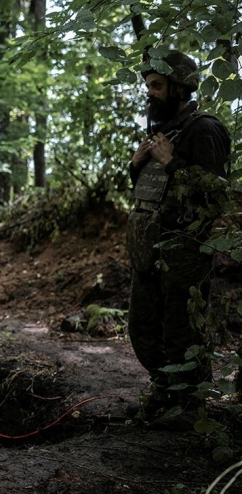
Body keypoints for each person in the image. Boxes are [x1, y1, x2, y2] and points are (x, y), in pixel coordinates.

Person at [126, 49, 230, 419]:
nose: (150, 93)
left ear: (180, 88)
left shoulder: (205, 129)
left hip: (182, 254)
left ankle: (188, 408)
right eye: (148, 86)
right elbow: (153, 190)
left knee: (182, 333)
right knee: (143, 329)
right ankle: (164, 393)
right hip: (148, 251)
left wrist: (172, 161)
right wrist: (135, 165)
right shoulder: (163, 130)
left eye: (157, 86)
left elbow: (217, 193)